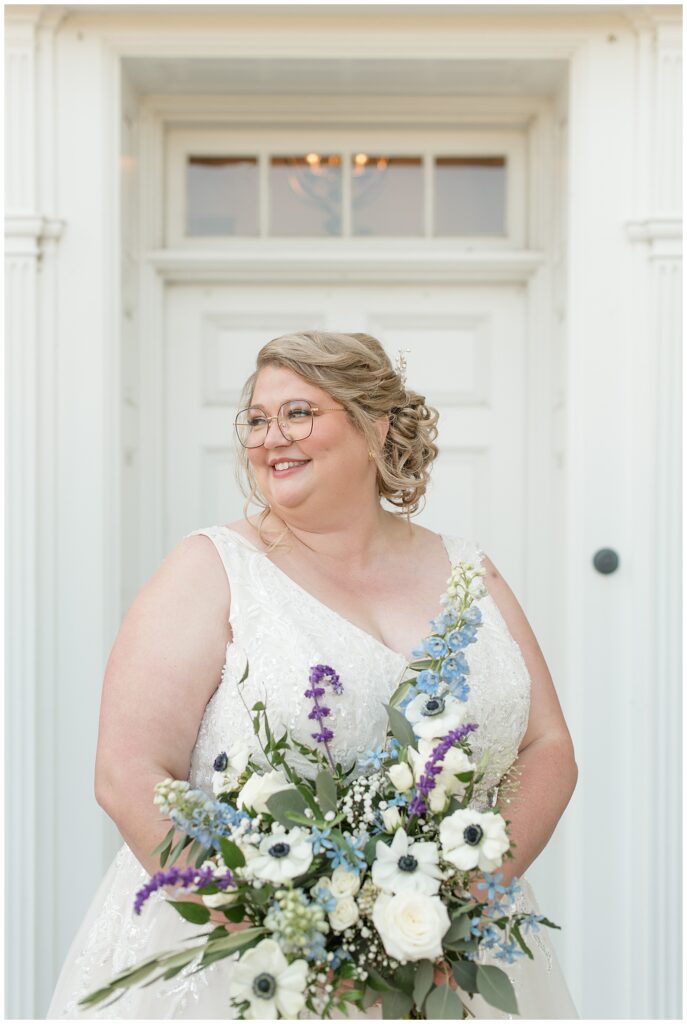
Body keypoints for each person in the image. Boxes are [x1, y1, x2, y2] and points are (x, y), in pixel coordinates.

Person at [47, 330, 578, 1019]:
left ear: (374, 426)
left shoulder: (468, 571)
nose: (271, 438)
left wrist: (460, 903)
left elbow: (548, 747)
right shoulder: (211, 570)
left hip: (447, 961)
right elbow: (127, 773)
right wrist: (273, 931)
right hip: (248, 968)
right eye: (258, 420)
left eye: (298, 413)